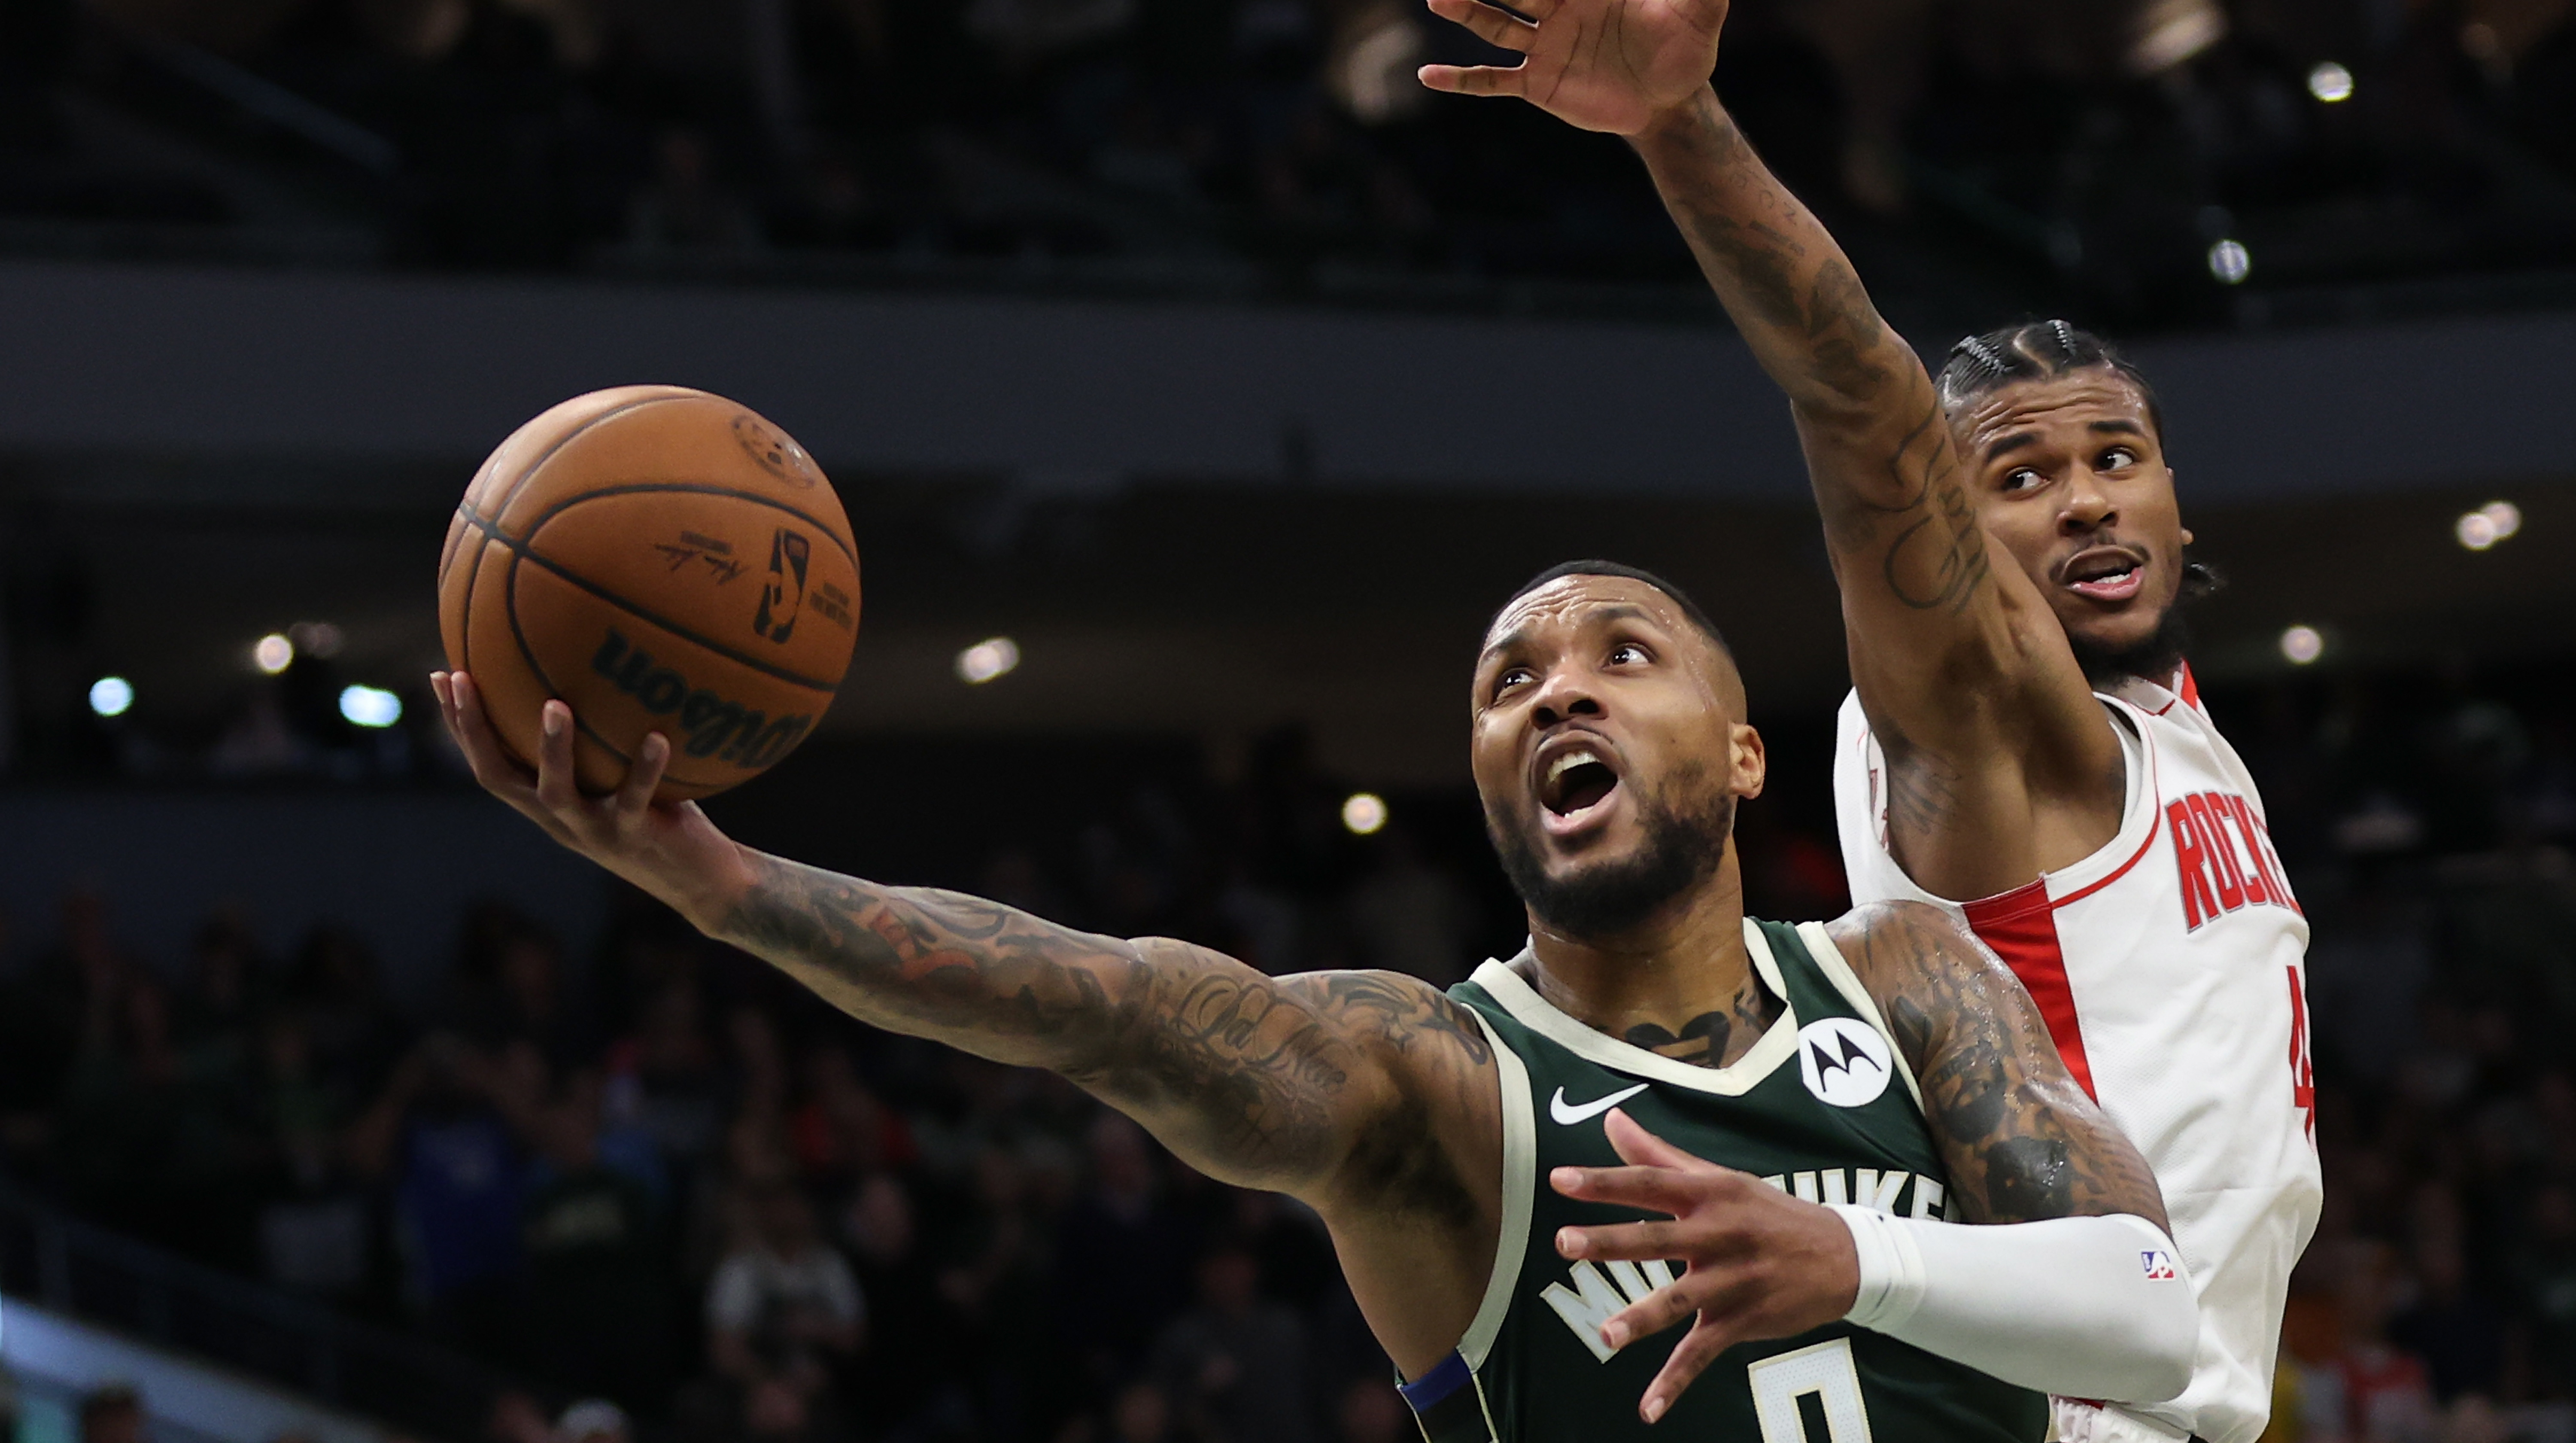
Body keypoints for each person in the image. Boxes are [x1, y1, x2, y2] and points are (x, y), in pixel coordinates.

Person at [432, 560, 2195, 1443]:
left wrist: (1848, 1263)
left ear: (1744, 757)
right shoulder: (1434, 1078)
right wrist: (727, 891)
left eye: (1618, 658)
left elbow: (2143, 1314)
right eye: (1512, 685)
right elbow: (1105, 1006)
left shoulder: (1902, 974)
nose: (1555, 695)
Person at [1410, 5, 2324, 1441]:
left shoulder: (2172, 728)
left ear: (2177, 501)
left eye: (2117, 456)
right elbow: (1864, 410)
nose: (2083, 498)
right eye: (2015, 479)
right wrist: (1682, 127)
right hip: (2075, 1398)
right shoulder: (1999, 738)